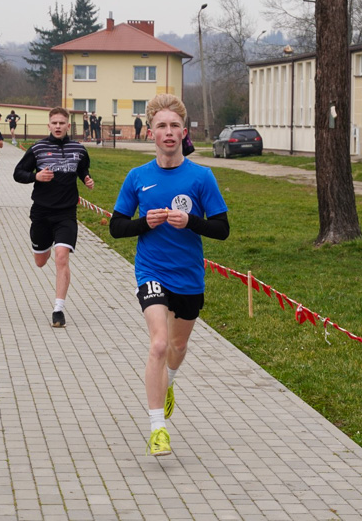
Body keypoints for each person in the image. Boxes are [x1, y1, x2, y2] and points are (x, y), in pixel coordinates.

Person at [109, 94, 230, 457]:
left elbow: (222, 229)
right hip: (151, 271)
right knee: (159, 344)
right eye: (161, 125)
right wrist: (143, 222)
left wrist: (190, 221)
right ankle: (157, 428)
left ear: (184, 132)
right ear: (151, 132)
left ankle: (169, 382)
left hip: (189, 277)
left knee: (177, 348)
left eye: (175, 126)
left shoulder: (201, 177)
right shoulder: (137, 177)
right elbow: (116, 227)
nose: (168, 132)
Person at [13, 107, 94, 328]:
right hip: (41, 212)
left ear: (68, 126)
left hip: (66, 213)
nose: (58, 126)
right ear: (49, 125)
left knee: (62, 257)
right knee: (41, 261)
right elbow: (17, 173)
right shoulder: (38, 148)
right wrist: (35, 176)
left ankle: (58, 309)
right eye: (54, 123)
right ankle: (43, 246)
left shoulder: (79, 149)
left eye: (62, 123)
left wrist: (87, 179)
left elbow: (83, 170)